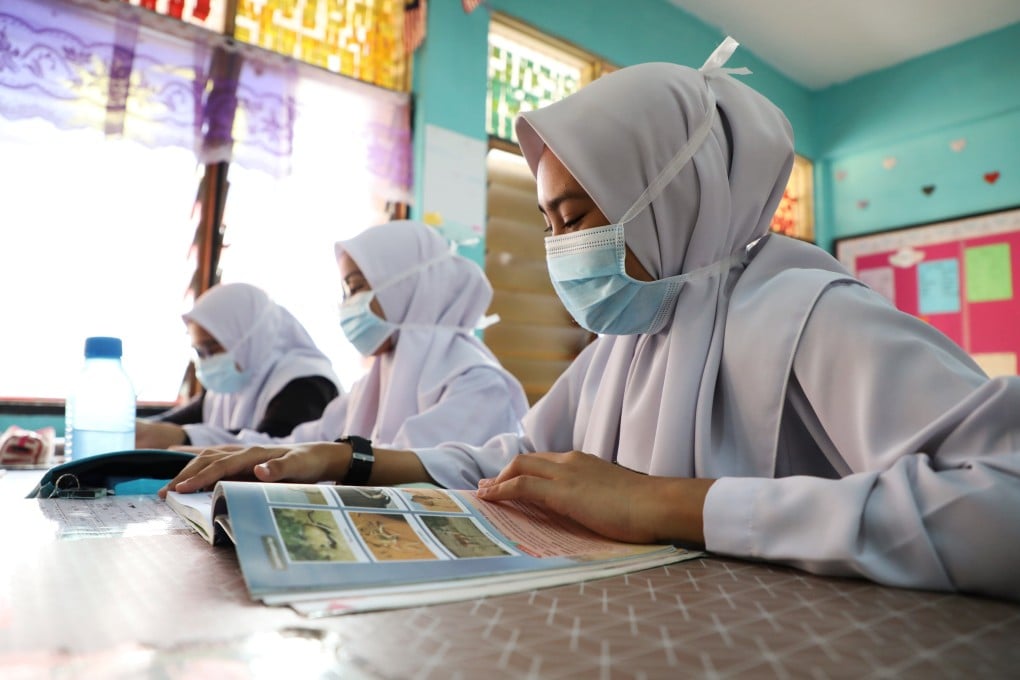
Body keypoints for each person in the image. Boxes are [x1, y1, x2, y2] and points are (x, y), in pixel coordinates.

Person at [159, 39, 1020, 601]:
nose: (558, 249)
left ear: (670, 199)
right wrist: (350, 457)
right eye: (548, 222)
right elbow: (518, 462)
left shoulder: (806, 312)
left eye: (576, 218)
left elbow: (1004, 500)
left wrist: (672, 504)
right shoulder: (629, 340)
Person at [163, 219, 529, 451]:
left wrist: (326, 461)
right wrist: (198, 445)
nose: (348, 305)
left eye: (357, 288)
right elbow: (301, 442)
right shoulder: (373, 384)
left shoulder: (475, 383)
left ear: (409, 288)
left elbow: (416, 468)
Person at [136, 282, 342, 448]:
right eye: (200, 352)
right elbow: (169, 425)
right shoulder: (231, 383)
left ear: (250, 338)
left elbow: (274, 449)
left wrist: (184, 438)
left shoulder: (306, 383)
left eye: (214, 347)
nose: (208, 360)